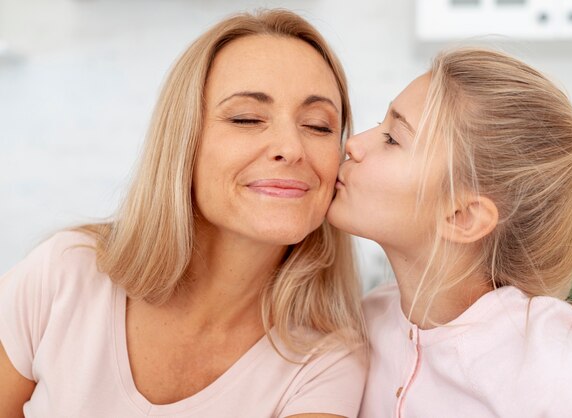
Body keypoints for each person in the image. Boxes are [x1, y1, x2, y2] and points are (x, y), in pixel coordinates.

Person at [0, 9, 367, 418]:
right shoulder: (65, 275)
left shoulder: (326, 363)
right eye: (247, 118)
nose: (292, 147)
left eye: (318, 126)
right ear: (183, 142)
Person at [328, 47, 572, 417]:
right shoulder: (368, 321)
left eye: (392, 139)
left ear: (463, 216)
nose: (353, 144)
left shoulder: (539, 354)